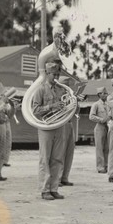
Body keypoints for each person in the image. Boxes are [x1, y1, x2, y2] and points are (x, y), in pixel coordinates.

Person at [31, 62, 66, 200]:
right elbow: (35, 110)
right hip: (46, 127)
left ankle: (54, 188)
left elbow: (65, 105)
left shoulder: (61, 89)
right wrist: (52, 106)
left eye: (58, 74)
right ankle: (45, 189)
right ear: (47, 73)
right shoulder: (40, 89)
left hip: (59, 126)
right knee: (45, 159)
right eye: (54, 74)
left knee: (57, 159)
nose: (56, 77)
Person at [58, 76, 77, 187]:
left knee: (69, 152)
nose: (67, 88)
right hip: (61, 124)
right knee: (60, 152)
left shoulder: (69, 96)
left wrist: (76, 101)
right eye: (65, 85)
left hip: (70, 124)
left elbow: (75, 112)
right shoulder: (57, 96)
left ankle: (65, 177)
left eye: (68, 85)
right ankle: (58, 177)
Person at [89, 86, 110, 173]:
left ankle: (106, 165)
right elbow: (91, 116)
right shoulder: (96, 104)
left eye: (106, 93)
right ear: (99, 95)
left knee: (107, 147)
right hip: (100, 127)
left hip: (108, 127)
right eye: (103, 93)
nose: (105, 95)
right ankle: (100, 167)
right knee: (100, 148)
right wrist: (101, 120)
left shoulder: (109, 104)